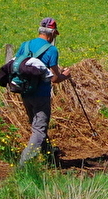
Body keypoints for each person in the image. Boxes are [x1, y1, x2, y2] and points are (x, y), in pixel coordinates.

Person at [16, 17, 70, 165]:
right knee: (39, 129)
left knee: (37, 125)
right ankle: (24, 165)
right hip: (41, 94)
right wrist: (65, 75)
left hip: (25, 92)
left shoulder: (25, 45)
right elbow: (54, 78)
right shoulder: (51, 50)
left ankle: (49, 156)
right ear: (51, 33)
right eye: (54, 34)